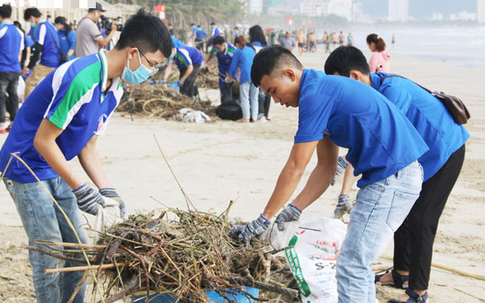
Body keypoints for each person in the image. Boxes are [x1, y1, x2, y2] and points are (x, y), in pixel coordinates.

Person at [229, 45, 429, 303]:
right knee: (358, 264)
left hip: (393, 177)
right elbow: (326, 167)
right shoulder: (322, 90)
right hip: (394, 177)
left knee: (351, 266)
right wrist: (294, 209)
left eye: (274, 92)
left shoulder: (316, 94)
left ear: (290, 74)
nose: (276, 101)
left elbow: (295, 166)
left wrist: (263, 219)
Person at [0, 9, 172, 303]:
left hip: (55, 166)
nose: (150, 73)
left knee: (80, 248)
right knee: (50, 251)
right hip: (25, 166)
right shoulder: (82, 77)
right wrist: (80, 188)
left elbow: (87, 146)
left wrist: (107, 190)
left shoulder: (114, 89)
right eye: (151, 65)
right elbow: (43, 141)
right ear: (133, 53)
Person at [325, 45, 469, 303]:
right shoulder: (371, 93)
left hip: (445, 150)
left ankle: (418, 291)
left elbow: (383, 135)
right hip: (417, 157)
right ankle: (401, 271)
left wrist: (344, 161)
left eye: (340, 86)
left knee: (422, 220)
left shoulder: (392, 91)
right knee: (402, 211)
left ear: (355, 77)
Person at [23, 7, 61, 99]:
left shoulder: (41, 27)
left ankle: (28, 108)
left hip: (47, 61)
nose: (31, 23)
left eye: (29, 21)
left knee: (30, 83)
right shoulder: (50, 25)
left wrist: (29, 66)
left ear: (31, 17)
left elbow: (38, 48)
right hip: (56, 59)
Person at [0, 4, 24, 134]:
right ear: (11, 15)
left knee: (1, 96)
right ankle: (14, 123)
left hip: (2, 68)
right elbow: (20, 53)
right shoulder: (19, 32)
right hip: (15, 68)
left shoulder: (2, 29)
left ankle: (1, 124)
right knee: (14, 95)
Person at [227, 36, 258, 123]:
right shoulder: (251, 50)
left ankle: (246, 118)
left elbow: (233, 65)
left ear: (237, 44)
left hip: (245, 76)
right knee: (254, 97)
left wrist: (230, 75)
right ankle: (254, 118)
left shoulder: (238, 51)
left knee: (244, 97)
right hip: (255, 75)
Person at [249, 25, 271, 121]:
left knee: (257, 94)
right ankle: (266, 114)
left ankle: (259, 113)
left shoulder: (251, 46)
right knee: (267, 93)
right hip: (268, 71)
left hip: (256, 72)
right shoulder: (267, 45)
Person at [206, 36, 236, 103]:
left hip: (232, 71)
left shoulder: (232, 51)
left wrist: (231, 75)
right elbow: (210, 55)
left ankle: (233, 104)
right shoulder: (215, 49)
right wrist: (204, 63)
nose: (217, 49)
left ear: (223, 45)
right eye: (216, 48)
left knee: (232, 89)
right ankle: (224, 103)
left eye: (218, 48)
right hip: (222, 71)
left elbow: (237, 63)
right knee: (222, 88)